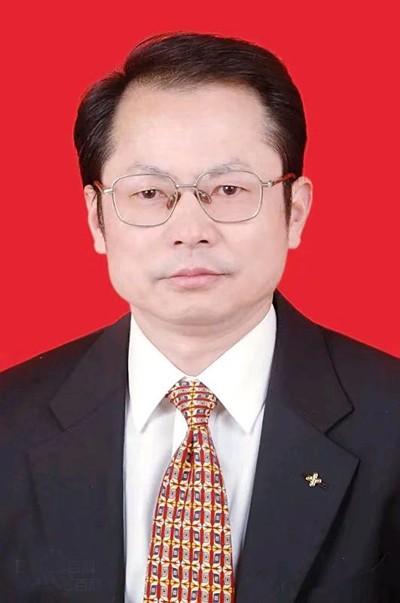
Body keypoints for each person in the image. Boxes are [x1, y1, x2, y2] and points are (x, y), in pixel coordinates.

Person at [1, 32, 399, 603]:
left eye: (229, 188)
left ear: (295, 211)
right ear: (96, 219)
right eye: (148, 194)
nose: (190, 230)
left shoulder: (391, 420)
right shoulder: (9, 422)